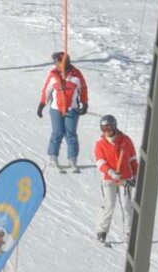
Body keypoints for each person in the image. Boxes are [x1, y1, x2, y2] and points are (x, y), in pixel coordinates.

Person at [35, 51, 89, 170]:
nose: (57, 65)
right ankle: (53, 157)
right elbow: (46, 90)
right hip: (56, 109)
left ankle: (72, 159)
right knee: (57, 133)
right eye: (56, 63)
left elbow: (83, 89)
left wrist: (84, 103)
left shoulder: (76, 75)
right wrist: (42, 104)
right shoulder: (54, 75)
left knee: (71, 134)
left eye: (59, 63)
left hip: (72, 109)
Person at [93, 114, 137, 245]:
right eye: (104, 129)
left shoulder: (125, 141)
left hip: (125, 178)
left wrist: (134, 175)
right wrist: (110, 172)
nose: (107, 132)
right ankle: (102, 231)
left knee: (126, 205)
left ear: (115, 128)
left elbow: (133, 159)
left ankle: (129, 232)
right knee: (109, 205)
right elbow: (100, 162)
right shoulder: (100, 143)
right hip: (109, 178)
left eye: (109, 129)